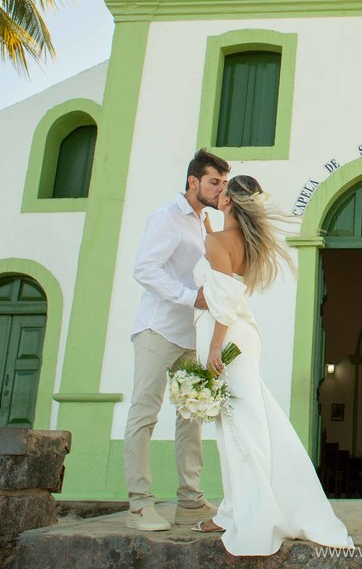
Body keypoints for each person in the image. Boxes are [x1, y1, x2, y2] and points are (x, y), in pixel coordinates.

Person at [189, 174, 355, 556]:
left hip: (226, 338)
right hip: (244, 337)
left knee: (240, 427)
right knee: (241, 422)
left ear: (229, 201)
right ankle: (233, 509)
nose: (218, 192)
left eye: (223, 189)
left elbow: (224, 302)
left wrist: (215, 348)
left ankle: (253, 514)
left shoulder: (217, 242)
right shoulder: (245, 242)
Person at [124, 149, 230, 532]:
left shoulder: (205, 223)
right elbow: (145, 269)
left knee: (192, 416)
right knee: (144, 413)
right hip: (157, 329)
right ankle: (139, 505)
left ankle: (190, 500)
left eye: (223, 183)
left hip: (191, 334)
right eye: (214, 182)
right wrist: (191, 298)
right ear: (193, 181)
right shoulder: (167, 217)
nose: (220, 190)